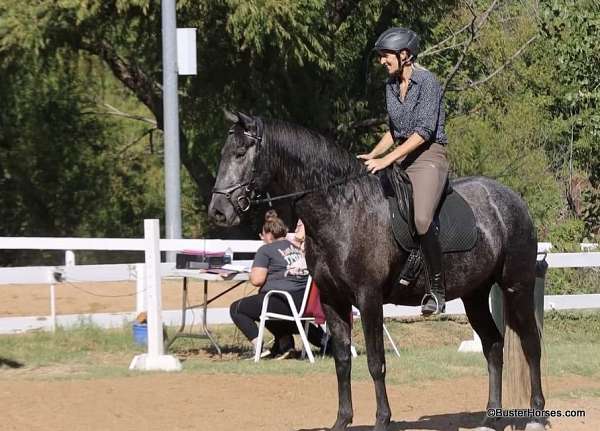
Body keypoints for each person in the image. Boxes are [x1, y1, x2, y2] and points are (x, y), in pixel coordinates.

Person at [358, 27, 449, 315]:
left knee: (422, 219)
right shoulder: (391, 86)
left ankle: (437, 289)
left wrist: (387, 161)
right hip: (402, 156)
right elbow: (394, 131)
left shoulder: (428, 82)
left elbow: (422, 133)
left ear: (405, 55)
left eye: (386, 55)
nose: (382, 61)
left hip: (429, 156)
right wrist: (374, 153)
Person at [229, 211, 325, 358]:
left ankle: (258, 346)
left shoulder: (266, 250)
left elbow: (257, 280)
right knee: (265, 305)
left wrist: (251, 272)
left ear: (268, 234)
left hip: (284, 301)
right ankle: (286, 344)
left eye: (262, 235)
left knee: (237, 308)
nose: (262, 238)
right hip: (303, 302)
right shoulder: (297, 248)